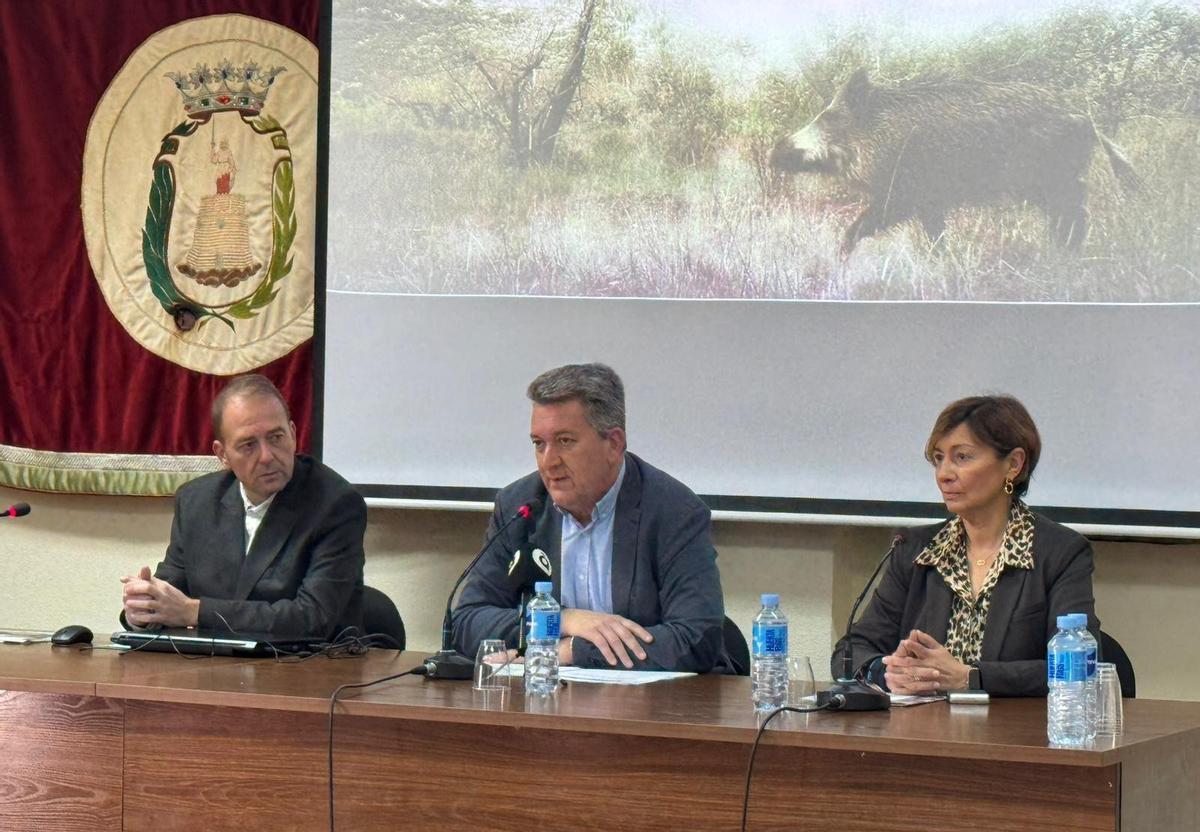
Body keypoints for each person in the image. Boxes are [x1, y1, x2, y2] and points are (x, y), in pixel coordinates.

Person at [452, 363, 732, 673]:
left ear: (613, 444)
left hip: (655, 700)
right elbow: (467, 621)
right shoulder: (519, 506)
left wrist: (573, 650)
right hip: (547, 695)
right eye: (539, 443)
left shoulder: (674, 512)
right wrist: (562, 619)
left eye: (565, 441)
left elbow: (696, 639)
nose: (548, 462)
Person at [837, 395, 1099, 697]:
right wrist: (887, 673)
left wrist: (971, 678)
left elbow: (1078, 665)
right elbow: (850, 651)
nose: (944, 474)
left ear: (1013, 464)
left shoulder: (1060, 552)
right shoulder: (916, 550)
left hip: (1014, 725)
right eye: (938, 459)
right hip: (921, 723)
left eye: (962, 457)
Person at [120, 374, 366, 639]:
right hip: (213, 662)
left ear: (293, 435)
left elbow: (312, 617)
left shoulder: (335, 505)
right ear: (222, 454)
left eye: (276, 437)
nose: (267, 456)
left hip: (310, 661)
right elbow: (171, 591)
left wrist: (194, 612)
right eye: (249, 445)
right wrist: (144, 610)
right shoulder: (196, 502)